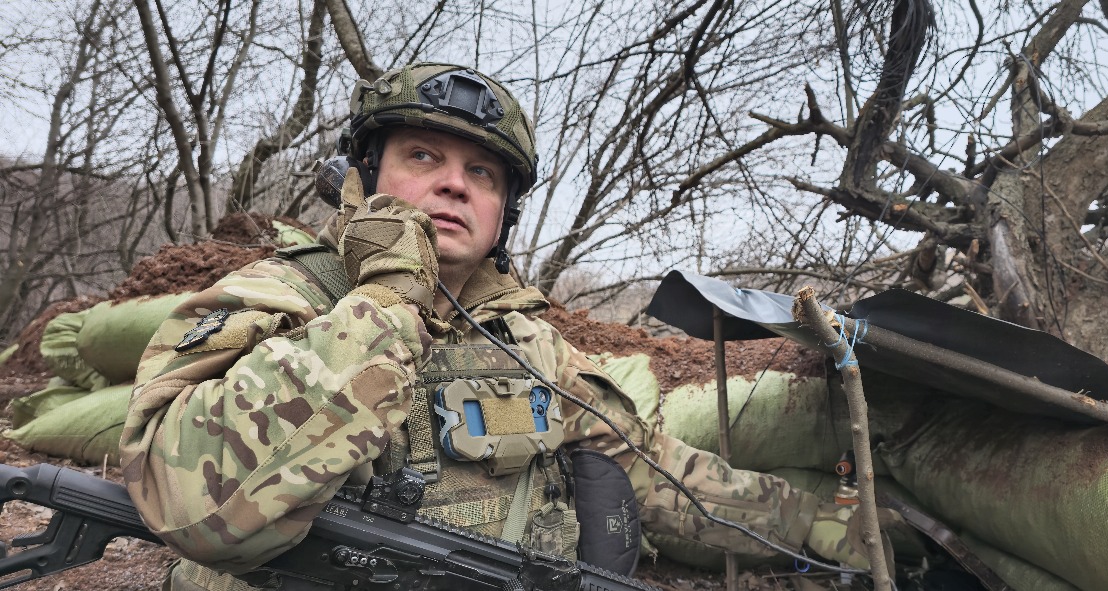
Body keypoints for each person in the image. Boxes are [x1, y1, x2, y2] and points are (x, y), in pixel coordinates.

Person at [119, 62, 869, 591]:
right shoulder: (274, 298)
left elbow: (663, 476)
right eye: (423, 155)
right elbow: (186, 505)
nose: (454, 183)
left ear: (503, 211)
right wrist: (387, 301)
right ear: (366, 173)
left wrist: (826, 528)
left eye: (482, 173)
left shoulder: (529, 345)